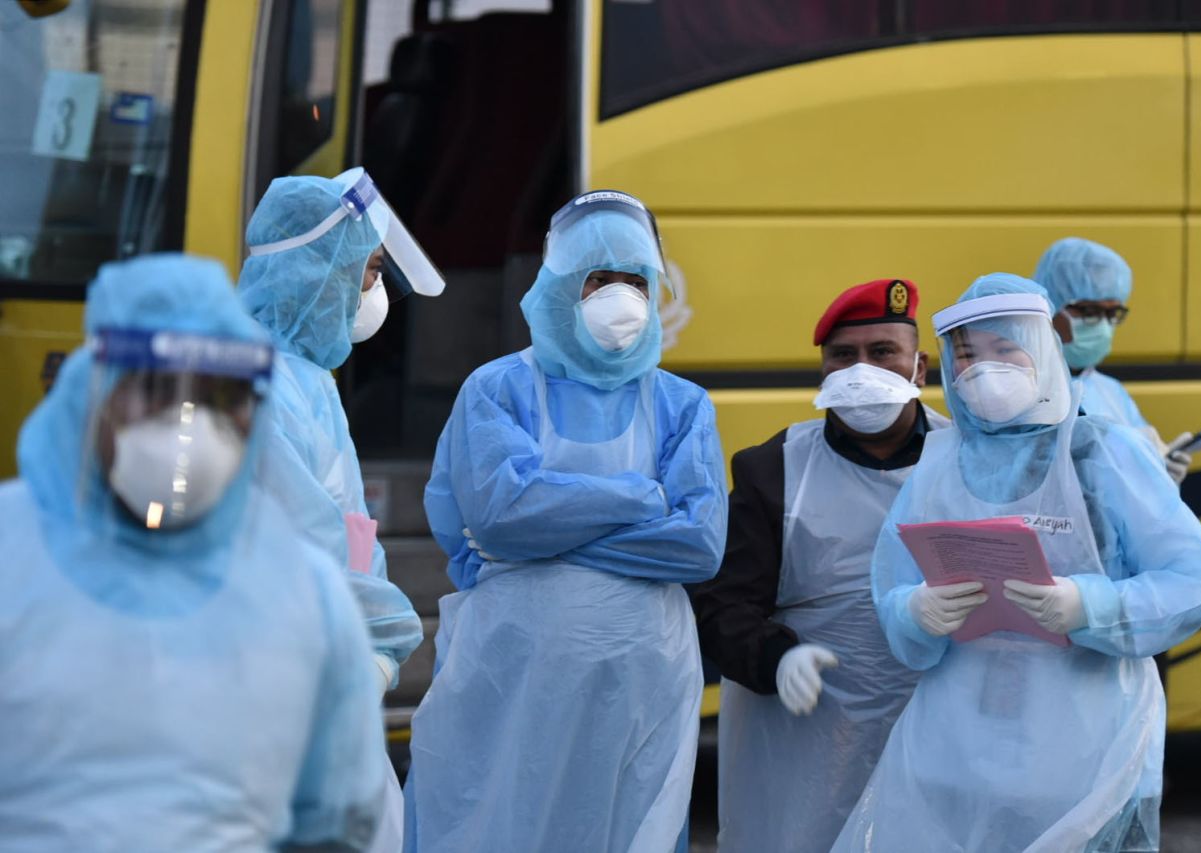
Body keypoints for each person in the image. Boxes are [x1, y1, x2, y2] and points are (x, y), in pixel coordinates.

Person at [832, 273, 1201, 852]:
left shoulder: (1100, 453)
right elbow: (893, 590)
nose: (983, 369)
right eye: (967, 355)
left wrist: (1090, 605)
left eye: (1005, 349)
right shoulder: (941, 462)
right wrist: (915, 612)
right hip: (956, 753)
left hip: (1089, 752)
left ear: (1043, 352)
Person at [0, 254, 387, 851]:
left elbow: (337, 822)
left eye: (222, 396)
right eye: (157, 388)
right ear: (95, 388)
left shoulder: (303, 595)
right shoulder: (10, 553)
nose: (189, 425)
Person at [404, 190, 729, 852]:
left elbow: (699, 545)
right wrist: (639, 496)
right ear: (560, 286)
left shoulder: (683, 405)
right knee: (493, 822)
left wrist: (553, 532)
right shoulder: (495, 390)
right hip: (513, 679)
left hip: (640, 687)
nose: (620, 297)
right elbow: (500, 517)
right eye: (598, 279)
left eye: (635, 279)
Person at [690, 278, 948, 853]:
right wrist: (775, 658)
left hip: (937, 730)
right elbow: (719, 602)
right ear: (822, 371)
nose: (861, 369)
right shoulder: (774, 468)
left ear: (919, 368)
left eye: (882, 353)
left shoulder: (966, 462)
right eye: (843, 356)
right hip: (800, 741)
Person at [237, 168, 445, 852]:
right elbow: (303, 538)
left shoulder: (307, 380)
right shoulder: (259, 388)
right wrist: (385, 633)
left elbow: (348, 532)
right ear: (316, 269)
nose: (374, 292)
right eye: (368, 269)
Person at [1034, 237, 1192, 484]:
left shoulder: (1111, 391)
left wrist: (1159, 476)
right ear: (1050, 306)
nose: (1104, 326)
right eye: (1089, 312)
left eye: (1112, 313)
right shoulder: (1024, 387)